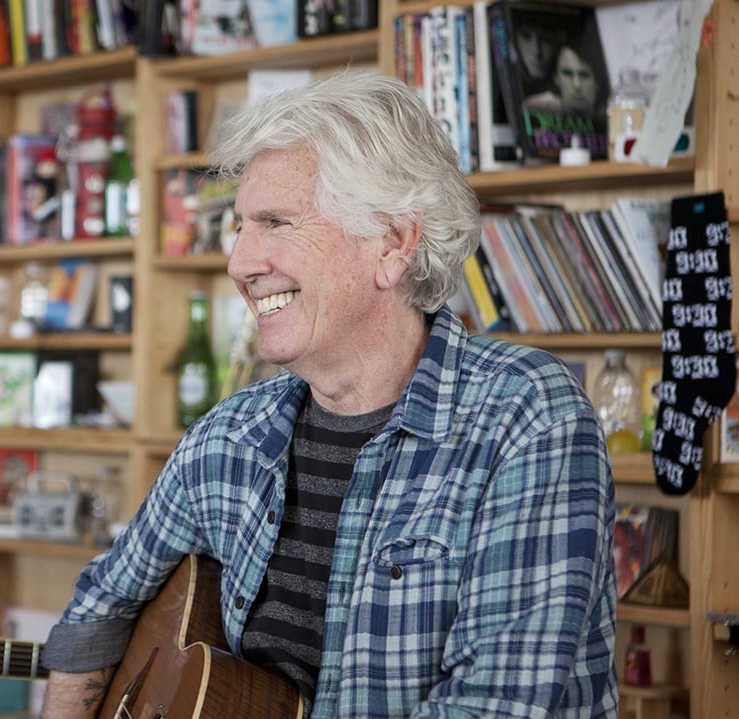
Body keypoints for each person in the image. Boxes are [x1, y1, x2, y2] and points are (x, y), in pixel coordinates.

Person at [38, 71, 617, 718]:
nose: (238, 262)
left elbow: (494, 707)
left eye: (276, 223)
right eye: (239, 227)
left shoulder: (527, 419)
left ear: (394, 244)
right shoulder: (230, 438)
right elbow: (99, 608)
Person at [524, 41, 605, 115]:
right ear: (556, 78)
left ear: (597, 82)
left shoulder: (611, 116)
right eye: (568, 74)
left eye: (584, 75)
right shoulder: (535, 108)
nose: (577, 85)